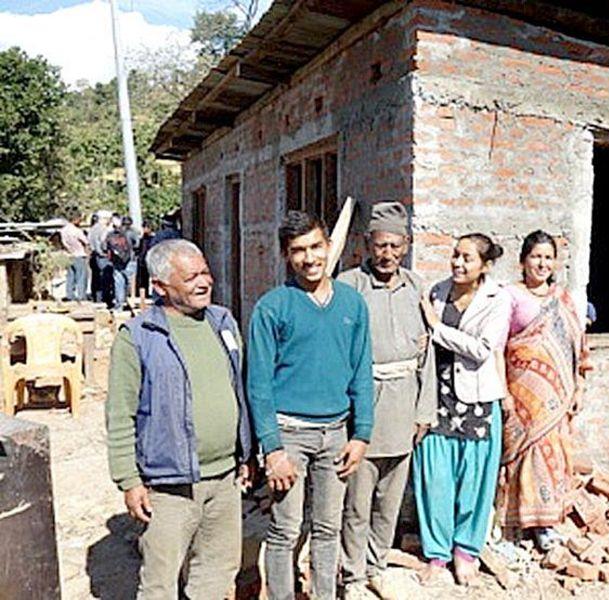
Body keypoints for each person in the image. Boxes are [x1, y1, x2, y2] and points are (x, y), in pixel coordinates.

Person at [105, 239, 254, 599]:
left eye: (205, 272)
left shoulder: (223, 321)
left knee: (217, 572)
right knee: (160, 581)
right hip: (169, 485)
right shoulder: (138, 337)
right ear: (160, 287)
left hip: (224, 477)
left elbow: (239, 388)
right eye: (190, 277)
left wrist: (245, 453)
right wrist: (129, 480)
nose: (204, 282)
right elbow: (120, 414)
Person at [247, 211, 374, 600]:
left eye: (316, 246)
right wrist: (273, 449)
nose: (309, 258)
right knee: (285, 531)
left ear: (328, 246)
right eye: (298, 250)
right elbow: (258, 384)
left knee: (327, 528)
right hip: (289, 435)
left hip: (336, 435)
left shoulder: (352, 304)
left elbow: (361, 371)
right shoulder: (273, 307)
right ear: (287, 255)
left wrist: (362, 433)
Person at [337, 202, 436, 600]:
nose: (388, 254)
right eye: (380, 246)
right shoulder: (348, 286)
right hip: (363, 410)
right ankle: (352, 576)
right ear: (366, 245)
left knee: (389, 502)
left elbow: (427, 355)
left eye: (395, 246)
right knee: (357, 503)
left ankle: (377, 566)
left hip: (405, 408)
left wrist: (424, 411)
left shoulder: (415, 287)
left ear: (407, 245)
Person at [415, 233, 511, 585]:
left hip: (476, 399)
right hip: (436, 396)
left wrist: (437, 328)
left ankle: (466, 552)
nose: (457, 263)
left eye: (467, 258)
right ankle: (437, 555)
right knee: (435, 478)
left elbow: (484, 349)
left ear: (484, 265)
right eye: (455, 255)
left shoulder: (498, 299)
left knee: (474, 481)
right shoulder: (437, 292)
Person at [494, 230, 589, 551]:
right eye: (536, 256)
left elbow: (578, 346)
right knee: (519, 454)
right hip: (520, 392)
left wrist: (577, 387)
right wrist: (503, 391)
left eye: (548, 257)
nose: (542, 263)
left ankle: (544, 524)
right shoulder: (509, 295)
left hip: (557, 395)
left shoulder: (562, 299)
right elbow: (496, 345)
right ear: (523, 261)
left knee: (551, 454)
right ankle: (516, 521)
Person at [103, 222, 134, 310]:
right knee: (130, 282)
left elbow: (104, 247)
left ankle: (119, 305)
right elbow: (137, 244)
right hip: (129, 261)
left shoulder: (110, 236)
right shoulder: (129, 233)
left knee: (118, 283)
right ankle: (130, 302)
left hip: (116, 262)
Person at [60, 214, 89, 301]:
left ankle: (70, 295)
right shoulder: (77, 231)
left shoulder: (63, 230)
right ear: (75, 220)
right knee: (81, 276)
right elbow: (86, 242)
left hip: (69, 254)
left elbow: (63, 243)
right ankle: (81, 296)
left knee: (70, 276)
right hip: (79, 254)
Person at [88, 212, 110, 303]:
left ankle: (96, 297)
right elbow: (103, 243)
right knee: (104, 278)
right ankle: (104, 299)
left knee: (95, 278)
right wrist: (103, 252)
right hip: (102, 256)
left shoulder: (92, 229)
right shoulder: (103, 229)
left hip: (94, 255)